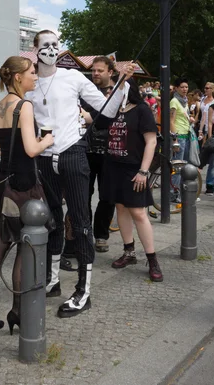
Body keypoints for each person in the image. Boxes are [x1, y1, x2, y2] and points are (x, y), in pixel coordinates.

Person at [26, 30, 133, 318]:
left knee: (81, 222)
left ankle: (84, 291)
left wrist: (121, 85)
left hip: (73, 155)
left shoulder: (72, 78)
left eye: (55, 45)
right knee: (52, 221)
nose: (51, 49)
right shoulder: (30, 83)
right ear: (34, 48)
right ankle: (53, 279)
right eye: (45, 45)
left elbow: (106, 112)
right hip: (45, 159)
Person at [0, 56, 53, 333]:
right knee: (23, 245)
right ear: (18, 77)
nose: (35, 75)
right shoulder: (25, 105)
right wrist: (48, 140)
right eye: (32, 72)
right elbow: (32, 149)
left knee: (0, 244)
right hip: (24, 184)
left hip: (4, 182)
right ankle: (17, 310)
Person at [103, 78, 163, 281]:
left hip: (134, 168)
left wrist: (144, 171)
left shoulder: (141, 109)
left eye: (116, 87)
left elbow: (151, 141)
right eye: (111, 88)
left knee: (138, 212)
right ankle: (129, 252)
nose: (111, 90)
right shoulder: (113, 109)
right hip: (113, 166)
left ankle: (152, 258)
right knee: (120, 208)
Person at [80, 56, 116, 254]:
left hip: (110, 151)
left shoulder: (118, 93)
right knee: (83, 195)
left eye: (100, 70)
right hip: (85, 149)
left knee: (107, 196)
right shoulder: (85, 92)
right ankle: (83, 232)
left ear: (110, 72)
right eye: (93, 70)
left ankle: (101, 235)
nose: (95, 73)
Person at [169, 78, 192, 203]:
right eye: (182, 87)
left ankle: (180, 192)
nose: (185, 89)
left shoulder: (184, 101)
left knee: (184, 167)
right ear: (177, 88)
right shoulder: (174, 101)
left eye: (186, 87)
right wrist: (175, 139)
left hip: (186, 135)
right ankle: (173, 193)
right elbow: (171, 120)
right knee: (177, 167)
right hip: (179, 137)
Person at [199, 82, 214, 193]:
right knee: (200, 158)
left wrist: (210, 136)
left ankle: (210, 184)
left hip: (211, 132)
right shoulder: (202, 100)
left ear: (212, 89)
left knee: (213, 159)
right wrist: (200, 130)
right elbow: (201, 116)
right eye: (205, 88)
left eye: (208, 88)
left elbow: (211, 121)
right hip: (202, 131)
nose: (205, 90)